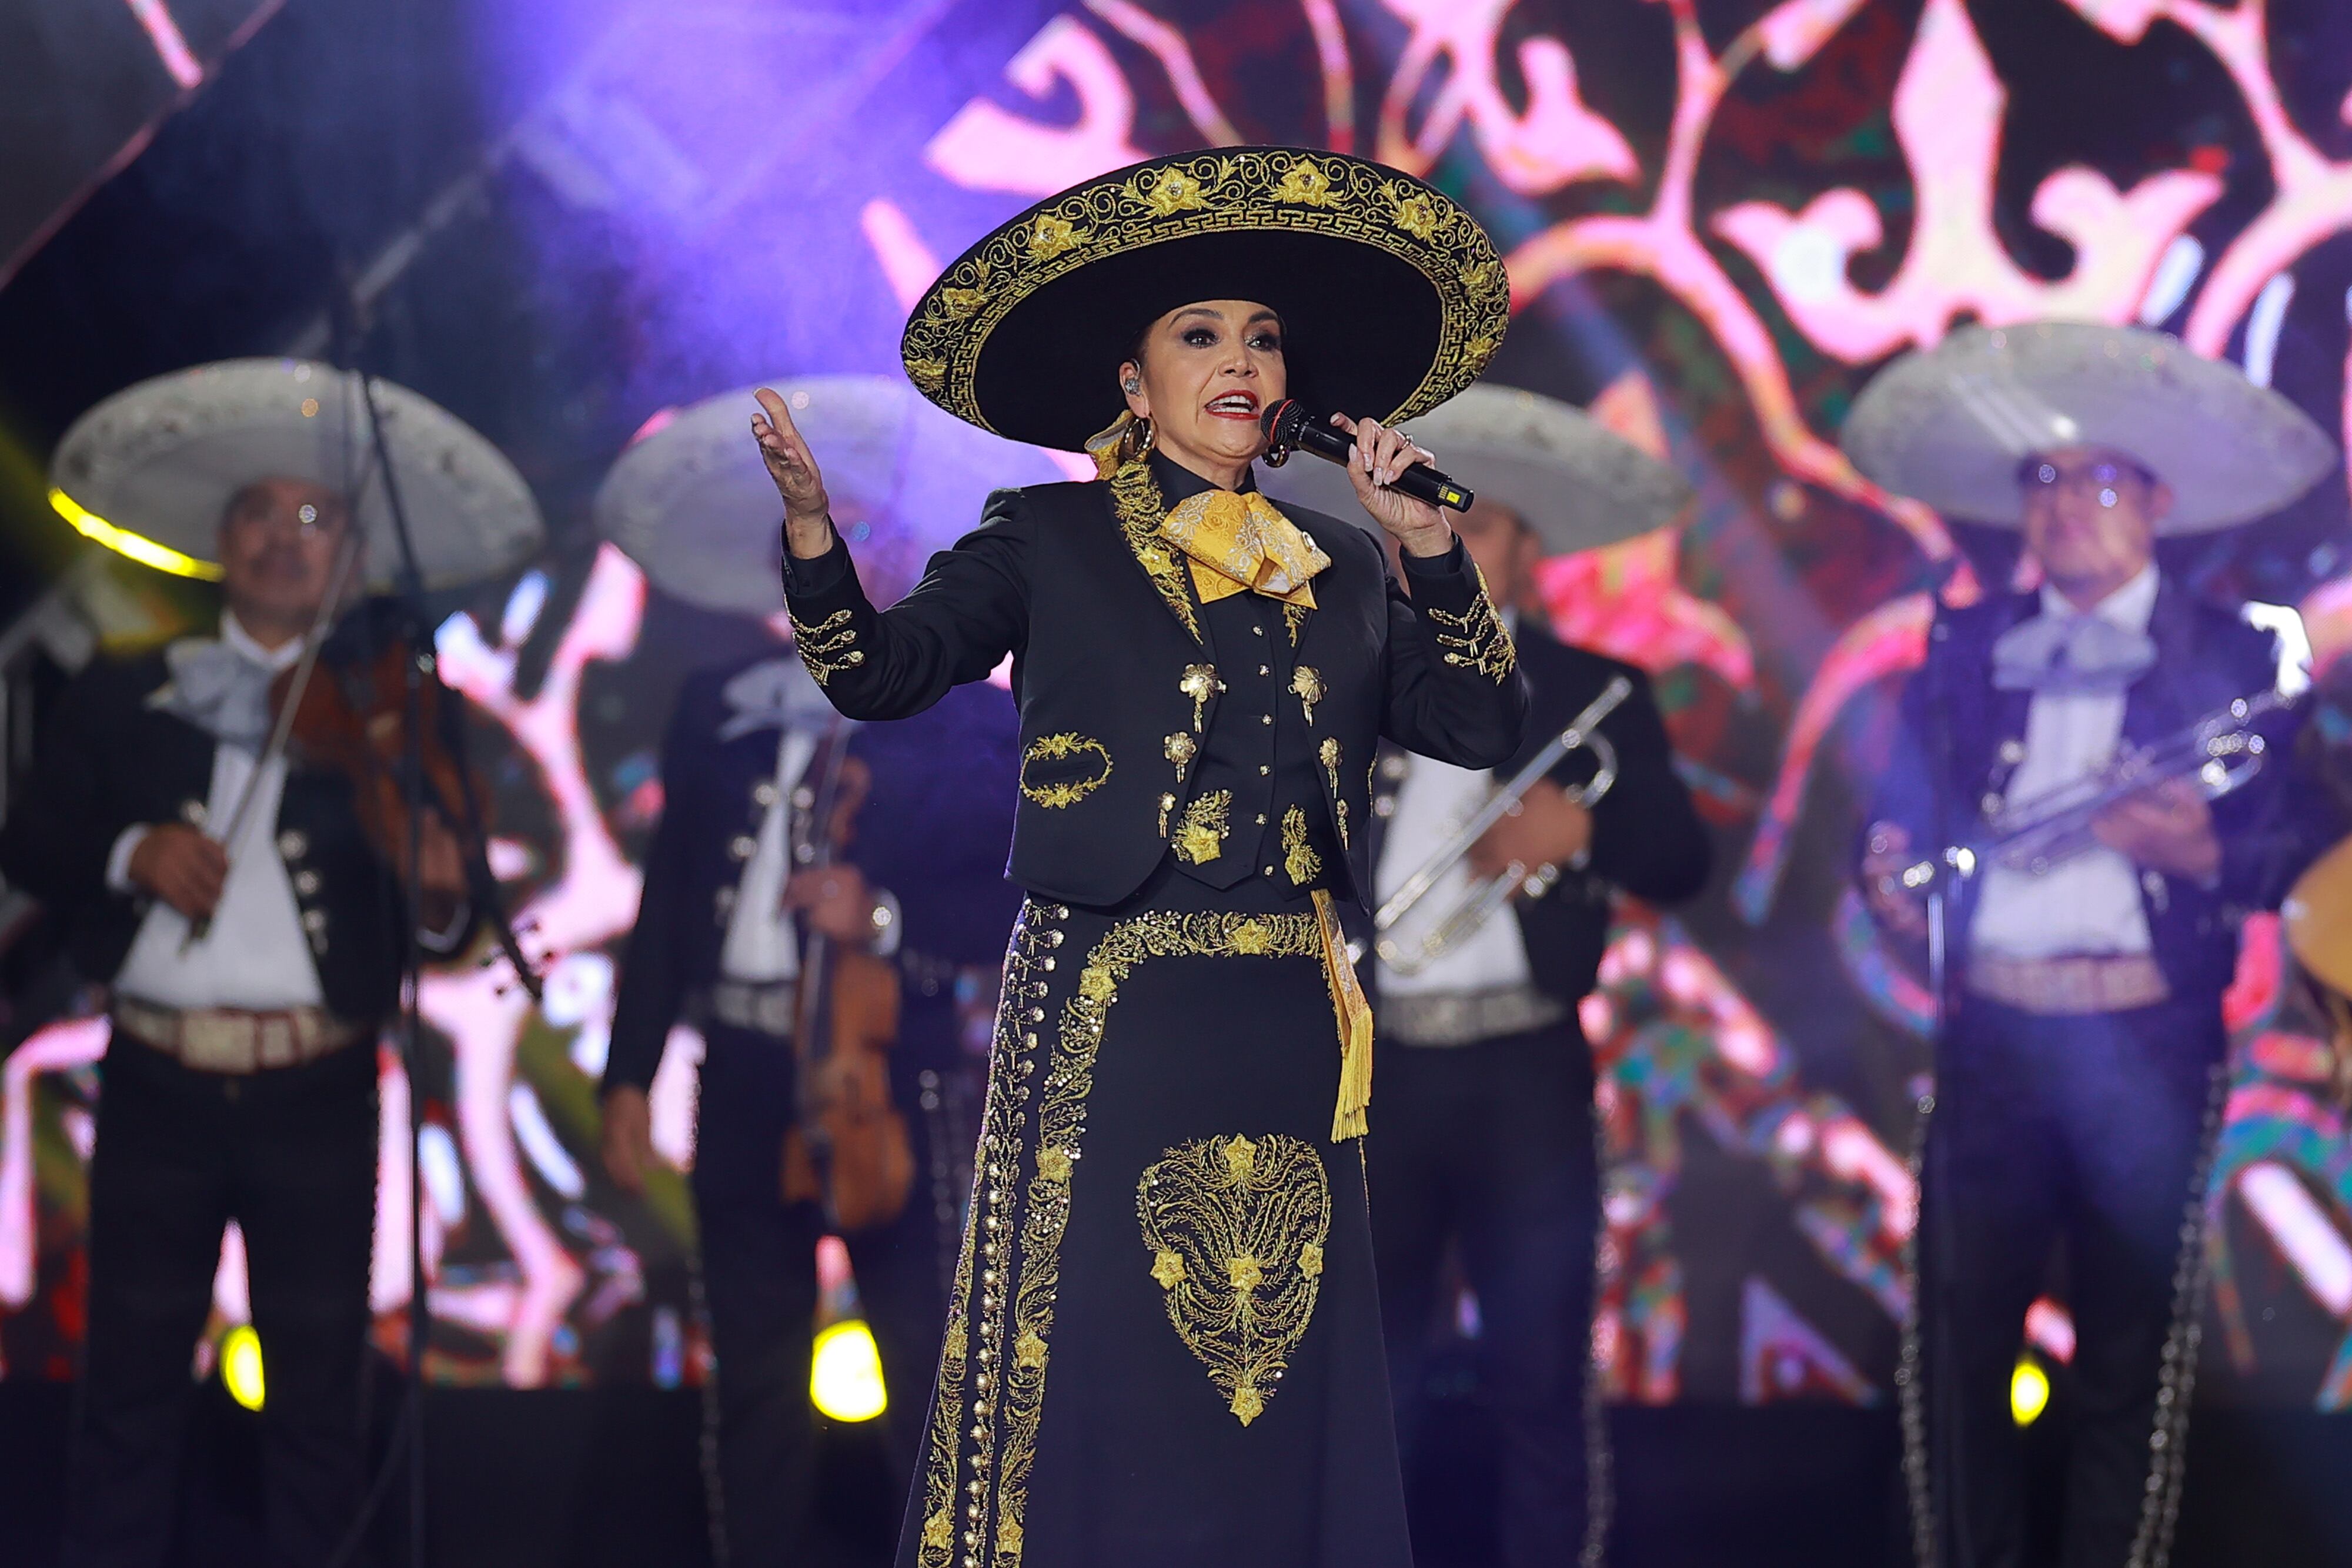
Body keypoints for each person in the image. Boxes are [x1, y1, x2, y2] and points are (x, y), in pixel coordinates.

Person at [751, 148, 1524, 1567]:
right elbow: (880, 671)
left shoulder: (1342, 558)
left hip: (1290, 1013)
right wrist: (813, 543)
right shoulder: (1044, 536)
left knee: (1274, 1355)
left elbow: (1478, 722)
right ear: (1132, 382)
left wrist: (1427, 551)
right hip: (1113, 998)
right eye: (1198, 335)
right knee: (1099, 1336)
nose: (1239, 359)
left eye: (1261, 336)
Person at [2, 358, 542, 1567]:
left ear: (351, 558)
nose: (286, 539)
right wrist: (136, 849)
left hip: (318, 1093)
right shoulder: (123, 687)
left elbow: (438, 936)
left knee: (317, 1401)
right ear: (222, 536)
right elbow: (30, 838)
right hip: (156, 1083)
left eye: (317, 519)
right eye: (263, 512)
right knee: (130, 1391)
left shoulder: (391, 705)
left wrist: (444, 893)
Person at [1845, 321, 2335, 1568]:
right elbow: (1900, 807)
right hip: (1990, 1037)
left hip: (2144, 1039)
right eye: (2042, 482)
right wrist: (1895, 874)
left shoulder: (2233, 652)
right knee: (1956, 1355)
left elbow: (2316, 843)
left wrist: (2203, 855)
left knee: (2128, 1355)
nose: (2062, 506)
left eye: (2096, 480)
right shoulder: (1960, 645)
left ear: (2158, 504)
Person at [592, 375, 1047, 1565]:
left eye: (851, 532)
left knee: (923, 1380)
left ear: (895, 551)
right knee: (750, 1382)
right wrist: (628, 1070)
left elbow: (1006, 899)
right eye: (811, 534)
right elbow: (667, 899)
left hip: (888, 1076)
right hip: (739, 1067)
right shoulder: (713, 706)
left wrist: (882, 914)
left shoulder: (963, 716)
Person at [1272, 380, 1712, 1566]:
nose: (1445, 548)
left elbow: (1681, 858)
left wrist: (1585, 832)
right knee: (1373, 1377)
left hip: (1522, 1068)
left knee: (1535, 1375)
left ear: (1520, 548)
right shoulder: (1352, 673)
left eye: (1473, 526)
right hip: (1380, 1066)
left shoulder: (1589, 688)